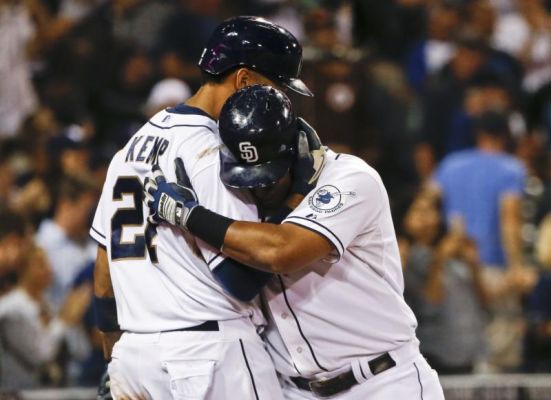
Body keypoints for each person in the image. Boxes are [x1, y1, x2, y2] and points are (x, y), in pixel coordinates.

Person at [145, 85, 444, 399]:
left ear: (296, 150)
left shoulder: (349, 178)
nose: (260, 189)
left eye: (270, 176)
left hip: (382, 383)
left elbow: (282, 251)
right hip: (294, 390)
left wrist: (189, 216)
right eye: (249, 177)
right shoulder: (236, 197)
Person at [91, 16, 313, 399]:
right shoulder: (212, 151)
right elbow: (241, 279)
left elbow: (102, 272)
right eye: (277, 86)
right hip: (208, 355)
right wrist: (295, 198)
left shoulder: (131, 148)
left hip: (135, 358)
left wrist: (115, 359)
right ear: (243, 80)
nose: (283, 100)